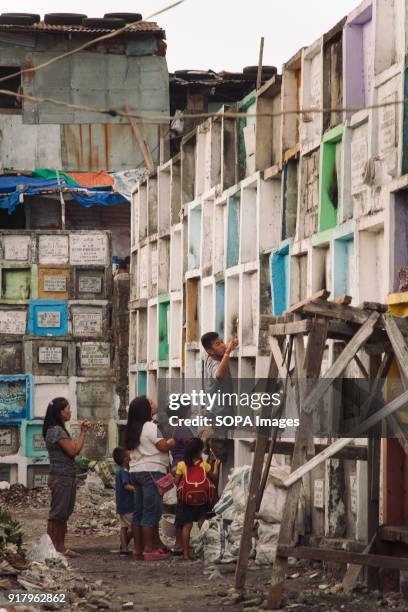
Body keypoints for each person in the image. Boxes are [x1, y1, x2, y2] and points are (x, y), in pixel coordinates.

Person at [125, 396, 176, 561]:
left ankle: (138, 550)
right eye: (151, 403)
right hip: (151, 472)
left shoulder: (132, 427)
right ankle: (149, 549)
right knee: (151, 511)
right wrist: (173, 440)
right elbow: (163, 446)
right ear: (144, 410)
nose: (155, 404)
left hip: (136, 472)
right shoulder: (150, 427)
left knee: (139, 512)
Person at [43, 397, 90, 558]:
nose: (70, 411)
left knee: (58, 513)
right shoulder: (57, 430)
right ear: (60, 413)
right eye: (68, 409)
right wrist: (83, 433)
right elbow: (73, 450)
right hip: (62, 477)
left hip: (61, 476)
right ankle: (59, 547)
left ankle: (52, 548)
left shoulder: (52, 429)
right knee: (60, 514)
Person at [174, 438, 220, 560]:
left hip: (186, 500)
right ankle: (206, 551)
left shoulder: (181, 465)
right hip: (202, 500)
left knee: (187, 526)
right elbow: (214, 478)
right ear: (199, 451)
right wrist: (216, 465)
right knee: (202, 524)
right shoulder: (204, 465)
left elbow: (176, 482)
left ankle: (185, 554)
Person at [112, 447, 135, 556]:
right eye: (129, 455)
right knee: (134, 527)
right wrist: (138, 489)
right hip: (128, 505)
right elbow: (126, 486)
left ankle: (124, 548)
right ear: (126, 459)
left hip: (122, 505)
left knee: (123, 527)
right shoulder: (124, 472)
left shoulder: (120, 471)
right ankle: (124, 545)